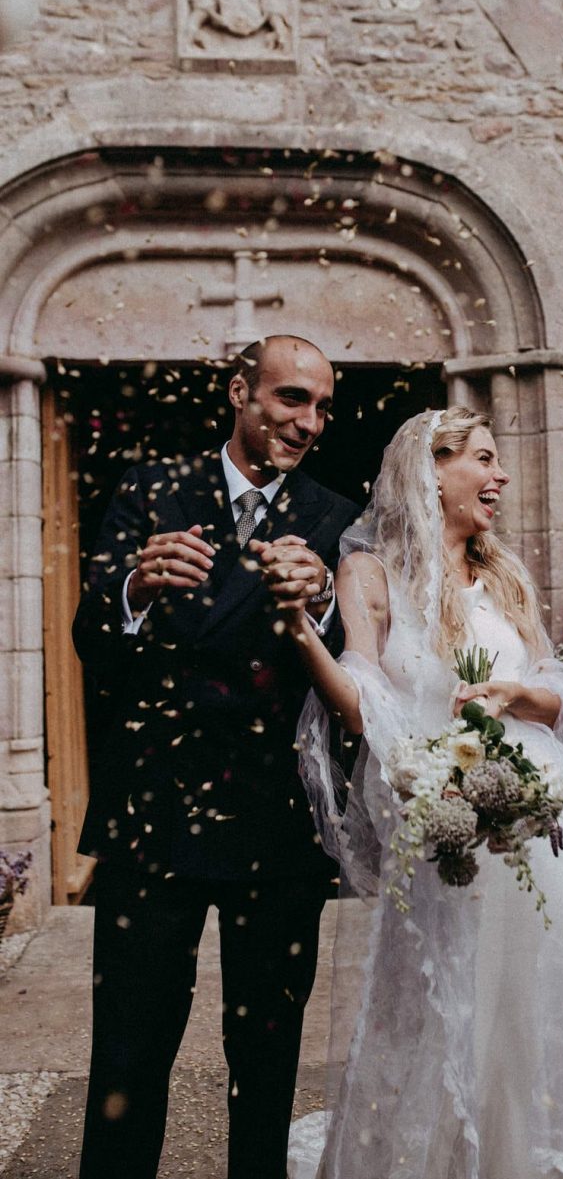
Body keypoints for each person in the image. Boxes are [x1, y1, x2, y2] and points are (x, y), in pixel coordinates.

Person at [277, 406, 563, 1179]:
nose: (501, 475)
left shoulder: (506, 572)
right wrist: (299, 631)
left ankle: (523, 1159)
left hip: (547, 830)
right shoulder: (371, 573)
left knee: (533, 1014)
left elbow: (562, 693)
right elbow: (362, 696)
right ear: (433, 468)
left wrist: (521, 698)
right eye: (483, 459)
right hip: (450, 824)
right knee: (445, 1013)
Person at [72, 334, 359, 1179]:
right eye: (291, 398)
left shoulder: (338, 518)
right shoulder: (150, 488)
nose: (308, 422)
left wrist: (324, 604)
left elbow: (362, 673)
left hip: (275, 823)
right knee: (129, 1046)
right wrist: (132, 588)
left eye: (322, 406)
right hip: (153, 816)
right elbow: (94, 640)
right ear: (240, 391)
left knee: (266, 1058)